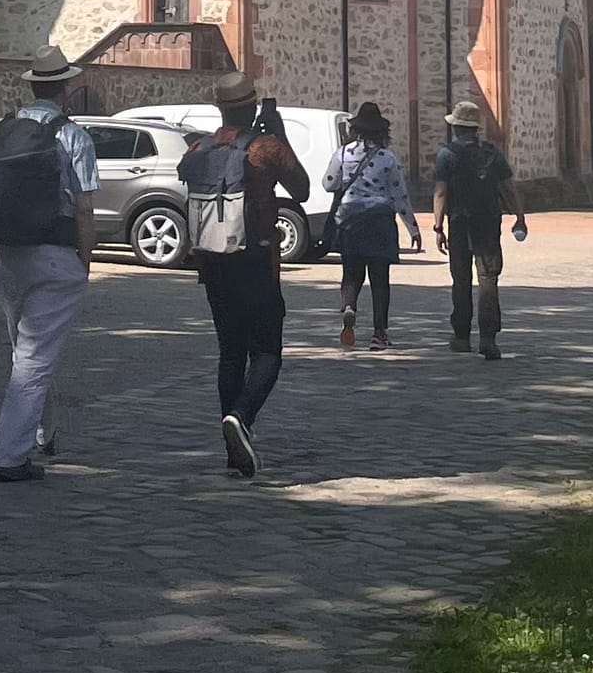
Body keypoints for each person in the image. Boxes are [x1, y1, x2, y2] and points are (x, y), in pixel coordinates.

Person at [0, 59, 97, 481]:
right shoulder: (73, 136)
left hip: (7, 253)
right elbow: (84, 209)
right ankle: (12, 457)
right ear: (65, 88)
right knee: (33, 360)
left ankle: (43, 431)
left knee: (25, 351)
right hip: (55, 255)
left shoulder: (1, 132)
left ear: (32, 88)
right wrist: (84, 261)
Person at [180, 84, 310, 477]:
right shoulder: (265, 148)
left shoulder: (198, 150)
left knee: (231, 353)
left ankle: (232, 449)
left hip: (213, 262)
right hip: (256, 260)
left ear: (219, 108)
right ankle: (241, 417)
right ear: (252, 107)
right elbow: (302, 189)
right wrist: (279, 132)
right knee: (267, 352)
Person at [432, 98, 525, 361]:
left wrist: (438, 226)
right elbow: (509, 187)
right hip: (488, 222)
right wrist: (519, 216)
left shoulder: (447, 154)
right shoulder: (493, 154)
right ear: (475, 128)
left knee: (461, 280)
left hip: (459, 222)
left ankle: (461, 336)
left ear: (456, 128)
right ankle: (488, 337)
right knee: (488, 279)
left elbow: (440, 193)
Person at [323, 100, 422, 348]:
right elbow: (400, 196)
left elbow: (329, 183)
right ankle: (379, 333)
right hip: (379, 221)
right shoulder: (388, 158)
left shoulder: (343, 153)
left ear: (356, 128)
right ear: (381, 131)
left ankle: (349, 306)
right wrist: (413, 228)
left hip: (349, 219)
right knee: (380, 279)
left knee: (351, 273)